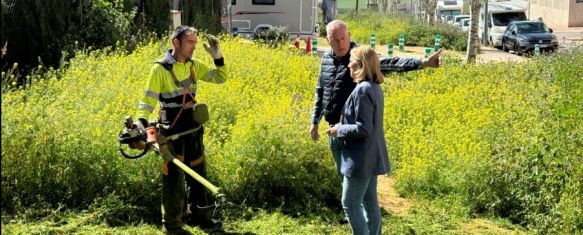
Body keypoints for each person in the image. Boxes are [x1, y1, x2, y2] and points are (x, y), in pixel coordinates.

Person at [309, 20, 442, 213]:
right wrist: (314, 121)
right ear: (328, 40)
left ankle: (359, 218)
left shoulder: (359, 57)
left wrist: (423, 63)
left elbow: (390, 63)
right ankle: (356, 217)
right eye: (335, 39)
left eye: (343, 37)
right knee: (344, 178)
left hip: (354, 134)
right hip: (334, 131)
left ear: (349, 35)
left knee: (358, 189)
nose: (340, 43)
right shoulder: (326, 59)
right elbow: (321, 91)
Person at [135, 25, 228, 234]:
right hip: (172, 135)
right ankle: (173, 226)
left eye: (195, 42)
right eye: (190, 42)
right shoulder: (160, 69)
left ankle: (200, 217)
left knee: (198, 177)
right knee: (174, 182)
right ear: (176, 42)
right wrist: (141, 121)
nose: (194, 47)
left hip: (193, 132)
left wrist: (218, 56)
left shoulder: (195, 65)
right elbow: (148, 100)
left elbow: (221, 77)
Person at [326, 46, 388, 235]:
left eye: (352, 60)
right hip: (371, 155)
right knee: (369, 202)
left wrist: (339, 129)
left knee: (350, 204)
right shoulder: (374, 88)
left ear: (361, 64)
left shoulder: (363, 90)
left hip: (360, 158)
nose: (348, 65)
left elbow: (363, 128)